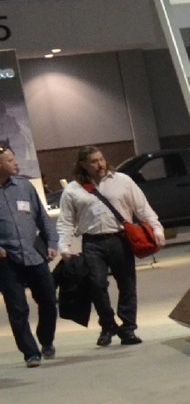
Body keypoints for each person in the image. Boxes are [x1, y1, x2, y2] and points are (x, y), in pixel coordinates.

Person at [55, 146, 167, 348]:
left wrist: (157, 229)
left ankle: (128, 328)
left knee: (127, 284)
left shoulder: (122, 181)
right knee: (96, 285)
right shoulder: (73, 189)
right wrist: (63, 245)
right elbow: (65, 221)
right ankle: (108, 325)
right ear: (83, 165)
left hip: (120, 239)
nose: (100, 164)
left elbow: (143, 208)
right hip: (92, 242)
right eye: (94, 162)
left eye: (101, 159)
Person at [0, 143, 59, 368]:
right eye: (10, 161)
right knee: (17, 308)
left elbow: (42, 218)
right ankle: (30, 352)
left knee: (48, 300)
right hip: (6, 261)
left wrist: (51, 243)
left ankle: (46, 339)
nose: (16, 164)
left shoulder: (25, 186)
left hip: (34, 255)